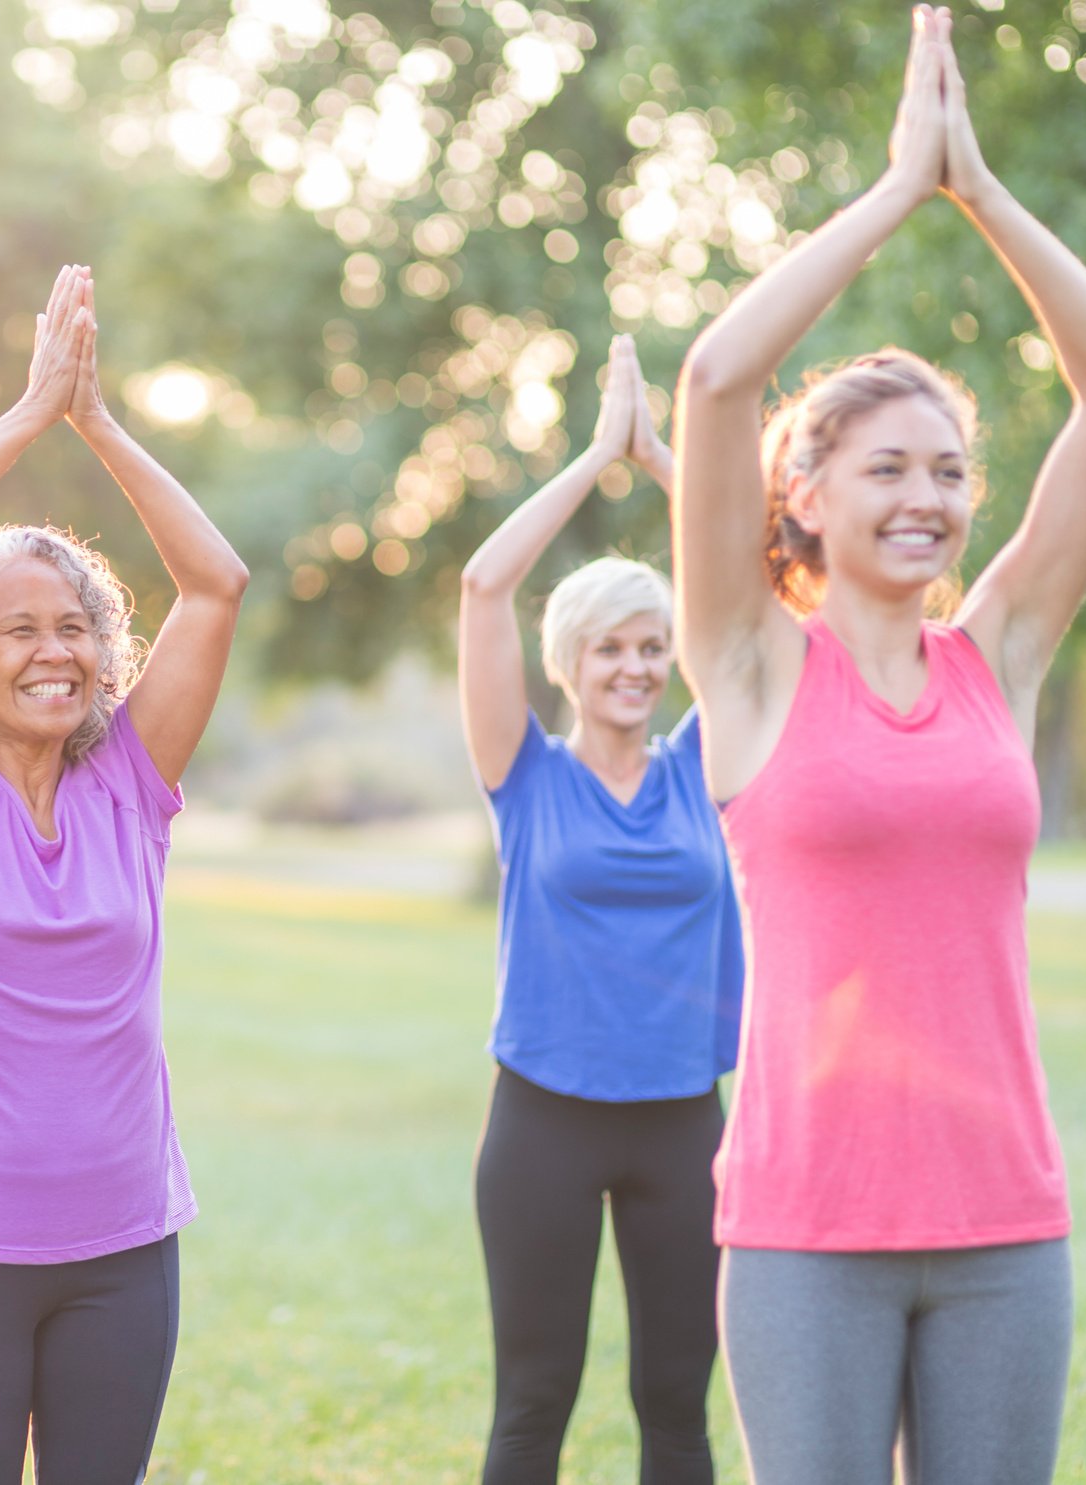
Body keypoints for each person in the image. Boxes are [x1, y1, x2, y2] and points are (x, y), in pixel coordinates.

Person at [671, 8, 1086, 1481]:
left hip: (1007, 1221)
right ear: (804, 497)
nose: (928, 496)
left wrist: (981, 188)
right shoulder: (750, 664)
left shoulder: (998, 655)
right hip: (808, 1227)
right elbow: (713, 383)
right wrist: (894, 193)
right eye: (886, 466)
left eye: (951, 471)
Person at [0, 264, 247, 1484]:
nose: (54, 650)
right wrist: (27, 414)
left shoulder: (130, 778)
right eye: (18, 629)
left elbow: (216, 583)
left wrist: (98, 421)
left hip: (122, 1249)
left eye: (74, 627)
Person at [458, 335, 742, 1484]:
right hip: (543, 1121)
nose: (635, 667)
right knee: (533, 1400)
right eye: (610, 649)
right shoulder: (521, 775)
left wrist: (663, 456)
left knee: (675, 1405)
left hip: (684, 1121)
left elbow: (772, 581)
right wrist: (591, 457)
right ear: (566, 663)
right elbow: (483, 584)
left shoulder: (701, 766)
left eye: (653, 648)